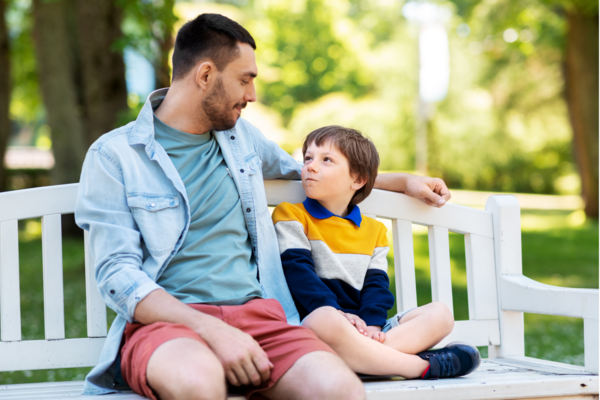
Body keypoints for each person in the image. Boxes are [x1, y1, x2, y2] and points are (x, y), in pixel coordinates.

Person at [75, 13, 452, 400]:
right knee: (198, 384)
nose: (252, 95)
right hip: (170, 327)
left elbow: (301, 174)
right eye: (245, 79)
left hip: (260, 320)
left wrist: (402, 181)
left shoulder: (241, 139)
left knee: (341, 390)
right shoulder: (115, 155)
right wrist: (211, 329)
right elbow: (117, 275)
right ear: (205, 76)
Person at [272, 125, 480, 380]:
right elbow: (298, 272)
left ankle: (363, 360)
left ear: (358, 180)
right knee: (324, 318)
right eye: (308, 158)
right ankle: (418, 366)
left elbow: (376, 286)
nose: (311, 166)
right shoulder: (290, 215)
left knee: (441, 315)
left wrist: (371, 324)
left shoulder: (375, 231)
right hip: (320, 326)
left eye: (326, 160)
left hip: (368, 330)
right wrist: (338, 314)